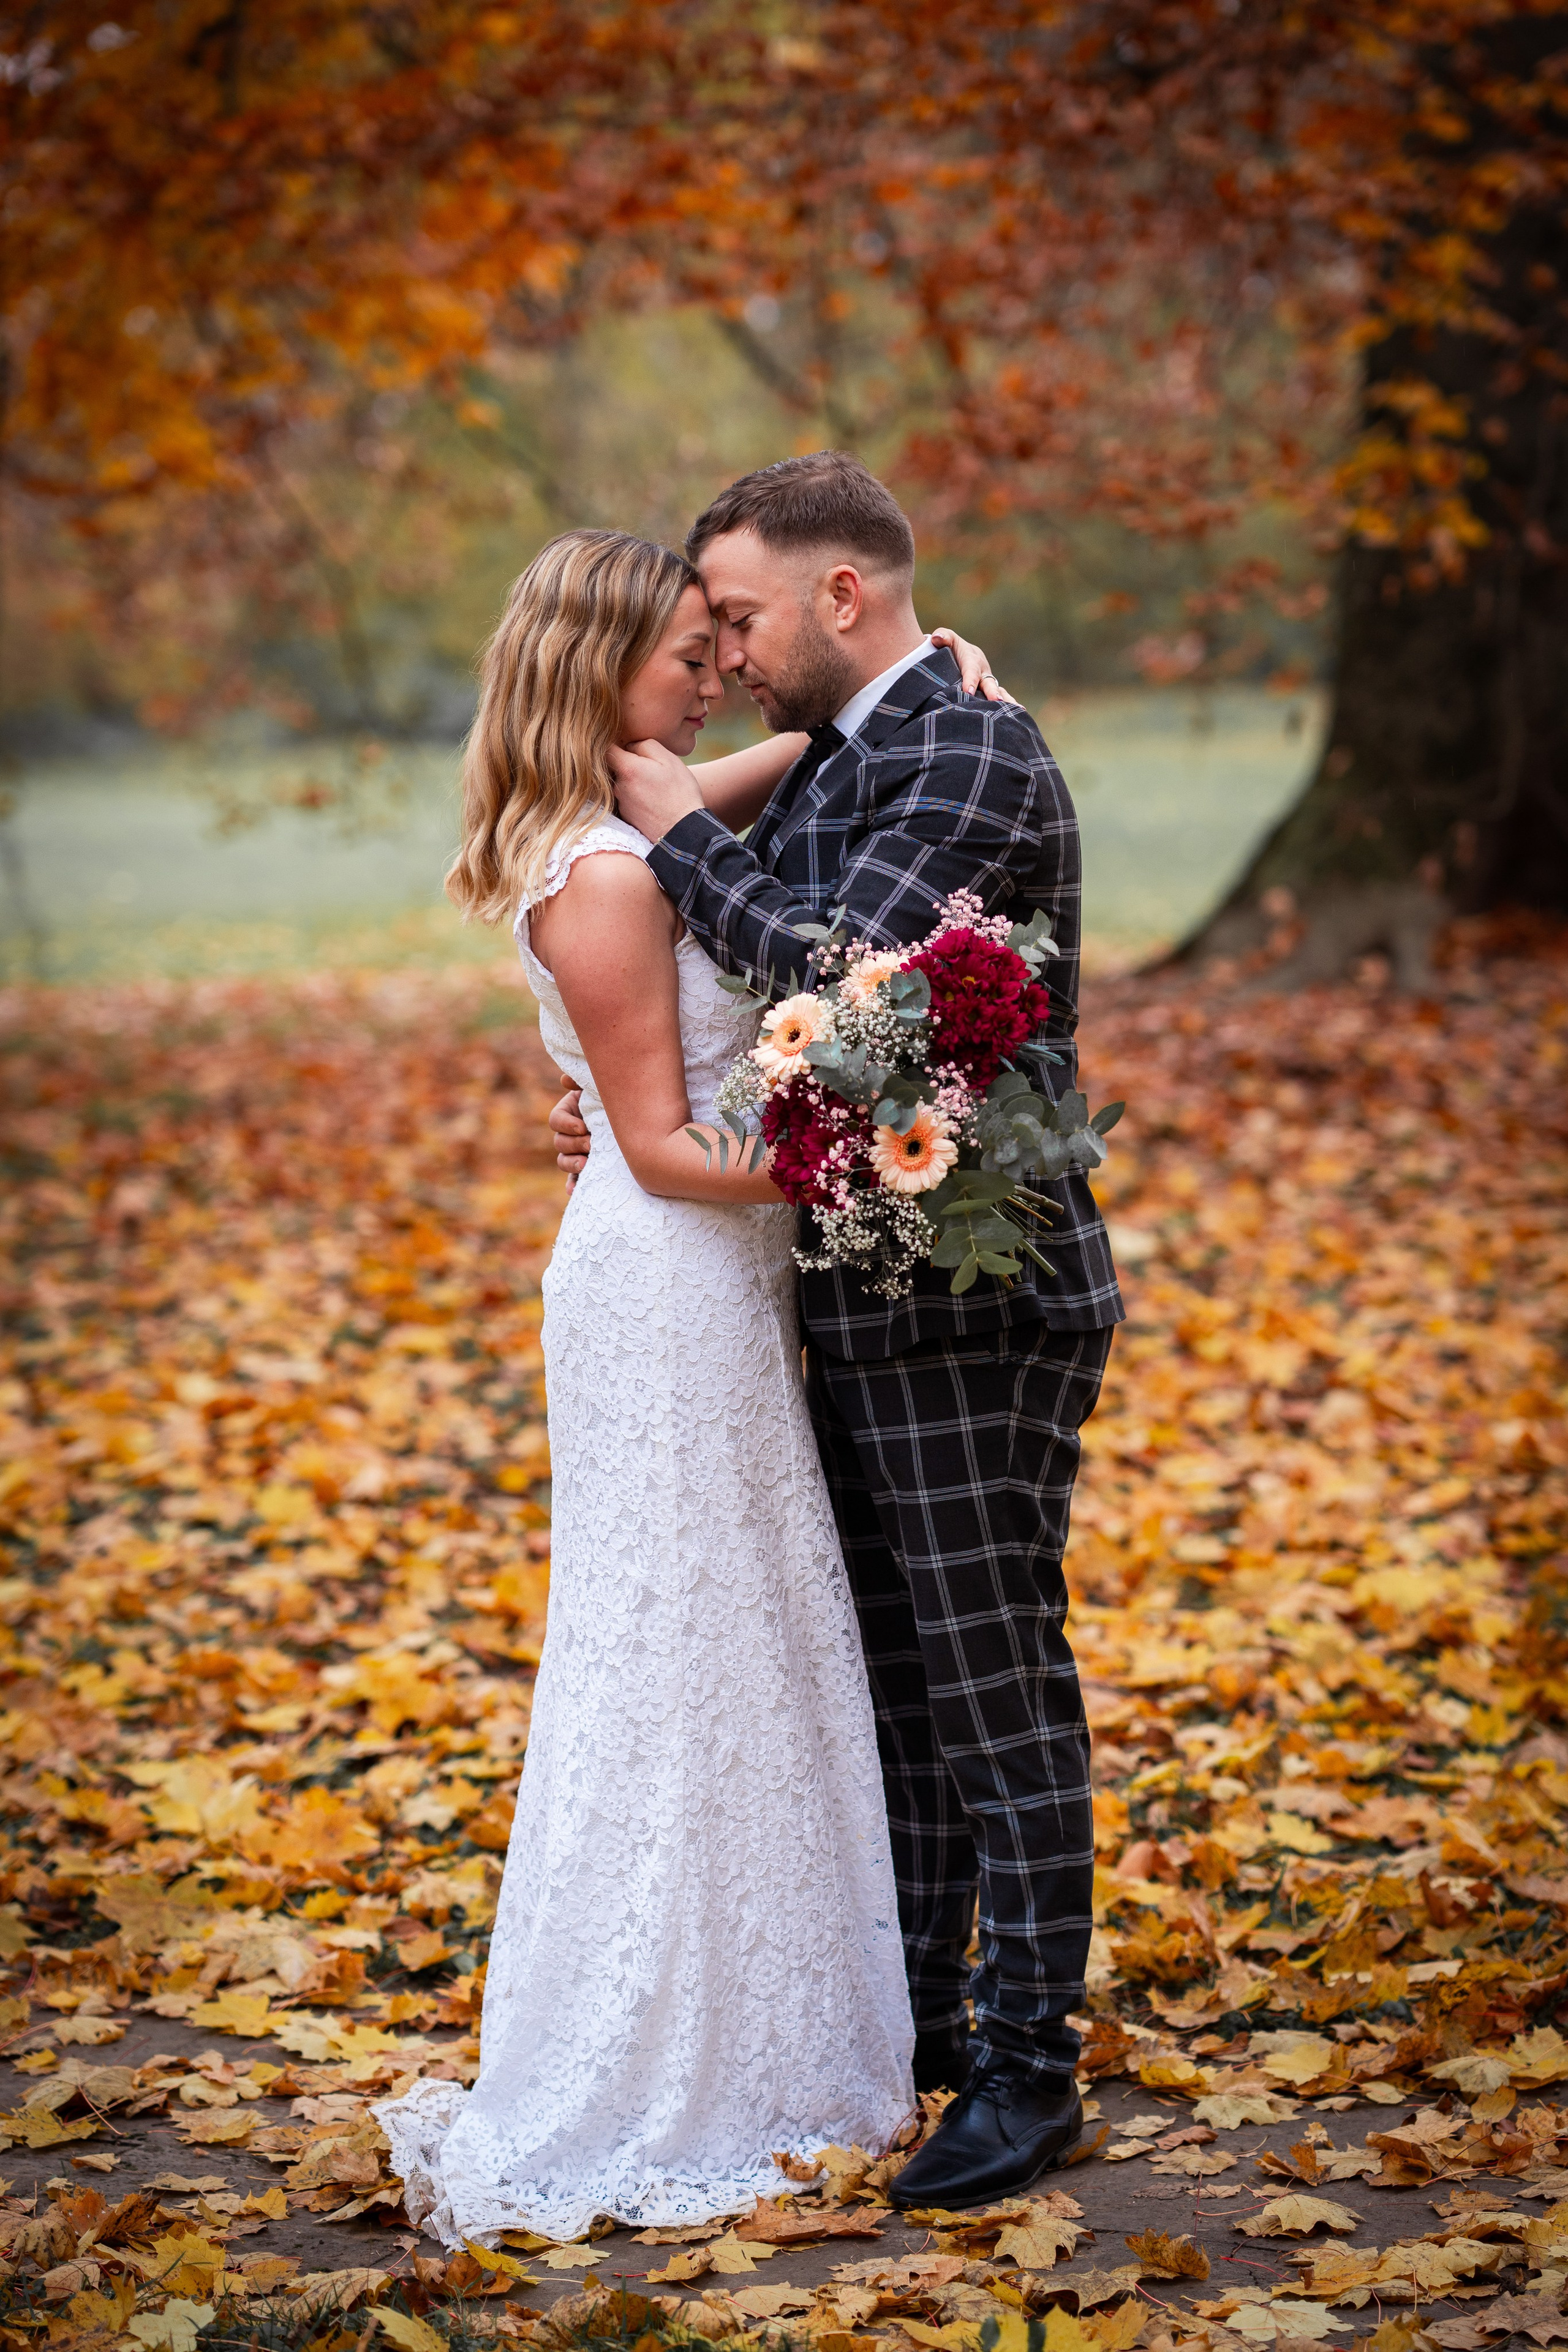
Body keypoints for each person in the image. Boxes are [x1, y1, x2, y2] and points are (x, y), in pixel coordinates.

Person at [375, 527, 1005, 2243]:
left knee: (742, 1643)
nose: (710, 670)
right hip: (669, 1293)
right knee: (678, 1657)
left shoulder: (616, 824)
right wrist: (883, 1159)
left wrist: (920, 688)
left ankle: (769, 2025)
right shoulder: (604, 877)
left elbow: (762, 758)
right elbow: (657, 1151)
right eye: (679, 653)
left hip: (699, 1295)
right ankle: (664, 2058)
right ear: (602, 679)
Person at [557, 451, 1123, 2209]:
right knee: (900, 1685)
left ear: (842, 597)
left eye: (735, 611)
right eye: (703, 626)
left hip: (980, 1294)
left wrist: (673, 831)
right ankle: (933, 2028)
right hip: (858, 1287)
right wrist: (636, 1096)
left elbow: (840, 992)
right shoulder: (862, 750)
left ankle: (1032, 2065)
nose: (722, 649)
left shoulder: (959, 747)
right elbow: (748, 1023)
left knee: (992, 1680)